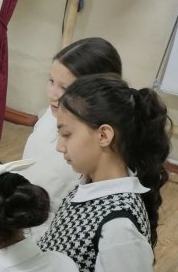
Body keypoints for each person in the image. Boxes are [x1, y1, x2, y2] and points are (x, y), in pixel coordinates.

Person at [38, 74, 171, 272]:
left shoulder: (119, 228)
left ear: (104, 135)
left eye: (66, 134)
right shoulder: (88, 182)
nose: (59, 146)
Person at [22, 37, 122, 235]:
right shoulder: (50, 117)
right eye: (51, 81)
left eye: (65, 88)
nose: (52, 94)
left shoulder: (97, 149)